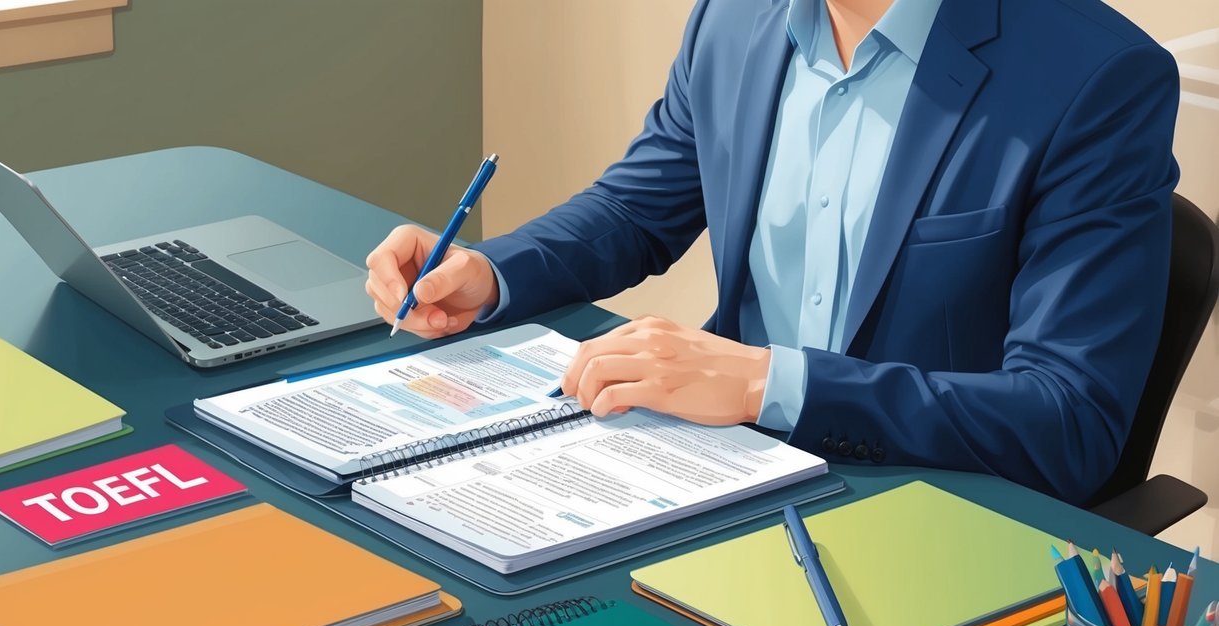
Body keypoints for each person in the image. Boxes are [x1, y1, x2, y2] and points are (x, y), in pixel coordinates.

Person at [363, 0, 1180, 506]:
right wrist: (492, 273)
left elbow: (1065, 421)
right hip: (714, 470)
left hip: (918, 499)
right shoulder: (736, 17)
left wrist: (764, 382)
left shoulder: (1095, 76)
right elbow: (634, 209)